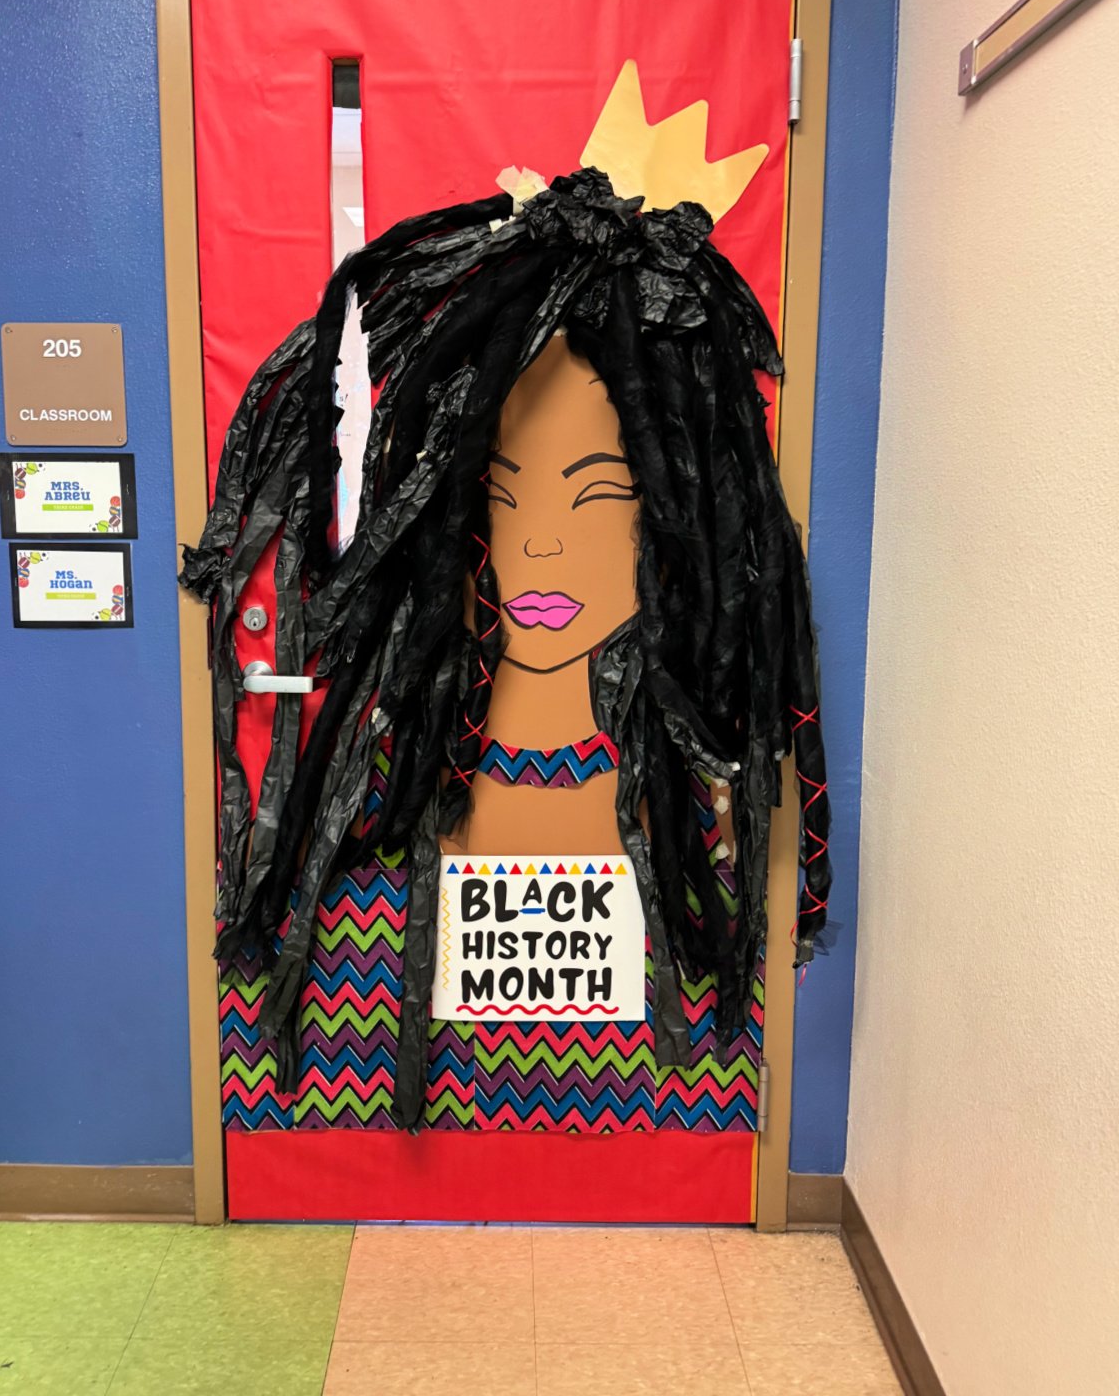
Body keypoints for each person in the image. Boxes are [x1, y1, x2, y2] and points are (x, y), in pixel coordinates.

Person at [183, 166, 831, 1128]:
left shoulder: (680, 757)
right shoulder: (410, 744)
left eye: (600, 491)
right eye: (501, 490)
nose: (538, 544)